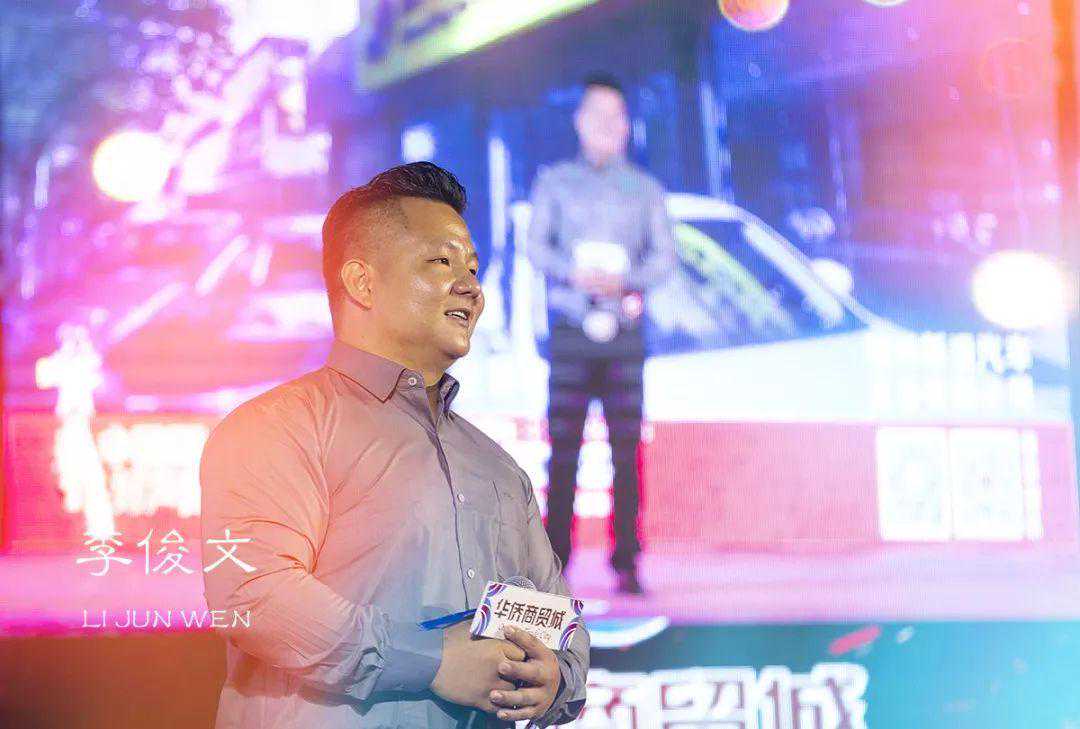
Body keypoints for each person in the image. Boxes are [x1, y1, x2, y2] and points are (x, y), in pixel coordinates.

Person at [200, 162, 589, 728]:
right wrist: (435, 663)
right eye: (441, 262)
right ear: (362, 283)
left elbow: (561, 629)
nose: (471, 287)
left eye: (473, 268)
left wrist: (554, 679)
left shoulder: (499, 468)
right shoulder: (278, 426)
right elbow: (253, 595)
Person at [526, 74, 677, 595]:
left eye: (616, 116)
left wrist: (625, 279)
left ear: (627, 125)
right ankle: (554, 562)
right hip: (571, 331)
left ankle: (628, 561)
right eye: (597, 115)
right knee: (563, 449)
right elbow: (536, 247)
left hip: (624, 335)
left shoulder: (646, 189)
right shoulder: (554, 182)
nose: (606, 125)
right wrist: (573, 273)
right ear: (579, 122)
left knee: (626, 450)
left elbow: (664, 258)